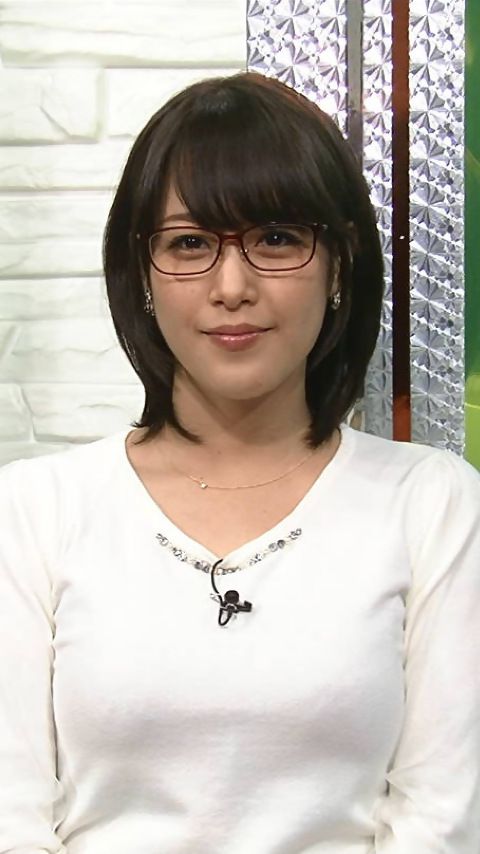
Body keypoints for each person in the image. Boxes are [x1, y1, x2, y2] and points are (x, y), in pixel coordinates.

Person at [0, 72, 479, 854]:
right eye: (189, 244)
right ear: (142, 272)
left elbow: (443, 820)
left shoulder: (434, 505)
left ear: (338, 263)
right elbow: (10, 817)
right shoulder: (32, 511)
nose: (232, 286)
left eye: (277, 239)